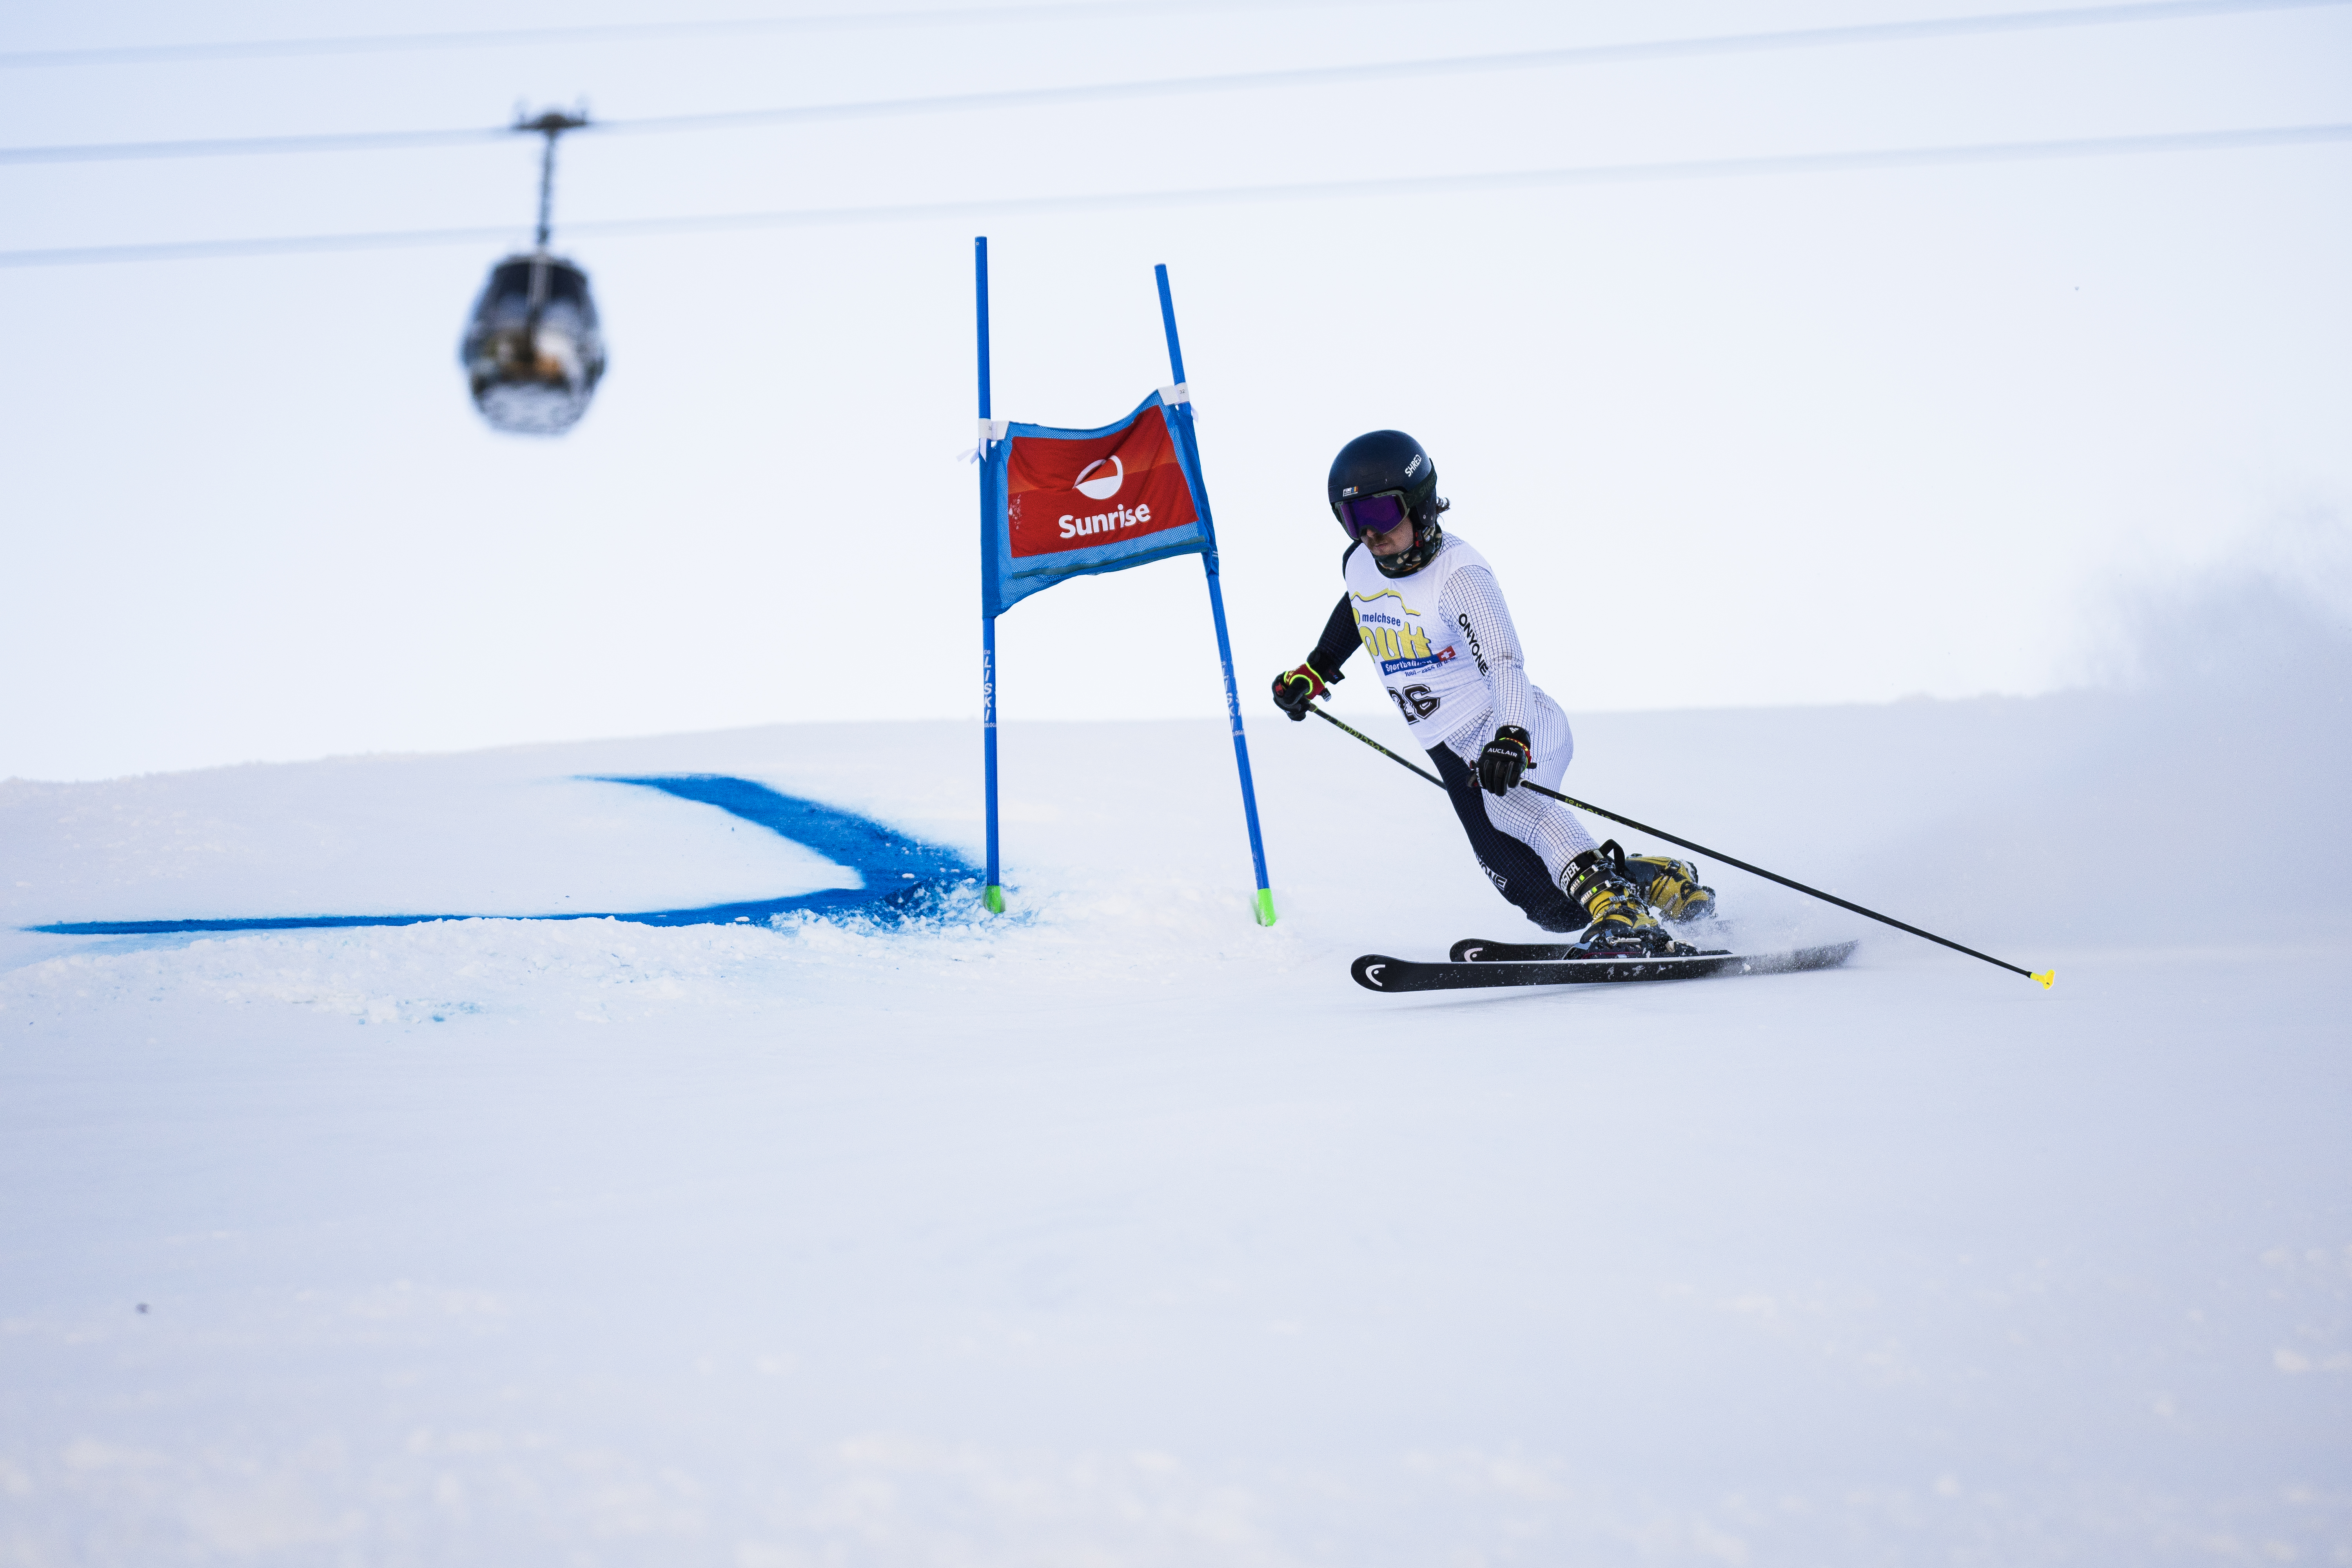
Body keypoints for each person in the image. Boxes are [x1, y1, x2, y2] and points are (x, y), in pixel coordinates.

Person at [1270, 430, 1716, 952]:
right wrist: (1318, 667)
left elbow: (1505, 665)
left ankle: (1623, 914)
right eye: (1352, 520)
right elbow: (1359, 603)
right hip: (1450, 750)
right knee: (1545, 906)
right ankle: (1652, 878)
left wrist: (1511, 738)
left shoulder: (1460, 577)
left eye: (1381, 515)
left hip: (1515, 725)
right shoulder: (1361, 563)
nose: (1369, 534)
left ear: (1419, 504)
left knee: (1509, 805)